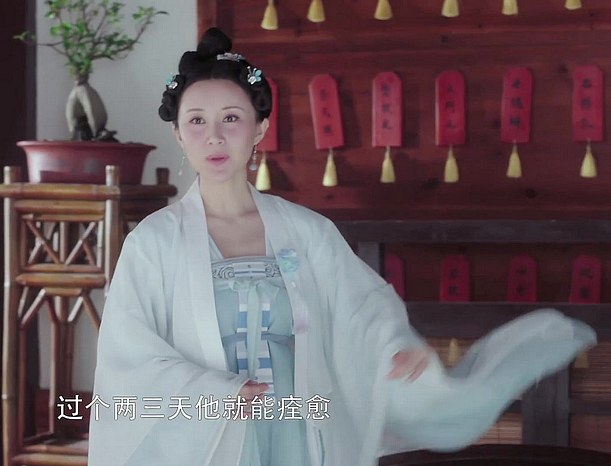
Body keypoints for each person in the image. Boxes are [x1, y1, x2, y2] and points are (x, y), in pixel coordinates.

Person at [88, 28, 596, 466]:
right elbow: (128, 357)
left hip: (296, 424)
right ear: (178, 133)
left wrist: (392, 347)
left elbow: (362, 307)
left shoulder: (306, 231)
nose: (215, 137)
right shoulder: (153, 243)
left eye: (231, 118)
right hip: (207, 433)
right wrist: (217, 392)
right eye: (197, 120)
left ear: (260, 128)